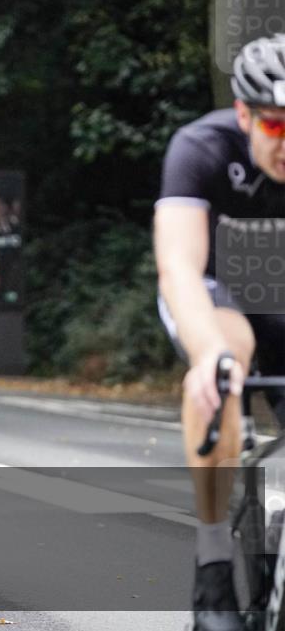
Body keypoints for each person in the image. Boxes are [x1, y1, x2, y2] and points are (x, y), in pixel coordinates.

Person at [154, 33, 285, 631]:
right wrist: (208, 355)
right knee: (228, 361)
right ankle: (212, 569)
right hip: (215, 290)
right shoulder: (200, 147)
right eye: (277, 127)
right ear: (245, 115)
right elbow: (179, 264)